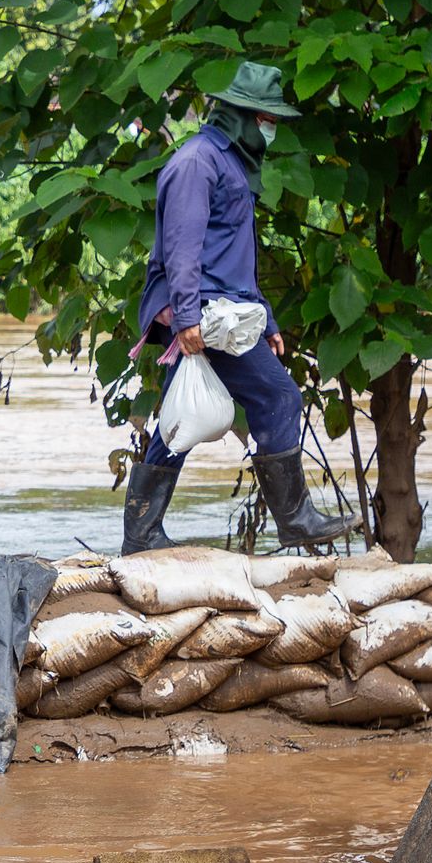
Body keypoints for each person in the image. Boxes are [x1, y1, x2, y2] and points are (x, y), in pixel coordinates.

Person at [121, 61, 356, 555]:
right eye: (266, 119)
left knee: (177, 417)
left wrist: (264, 317)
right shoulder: (196, 164)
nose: (271, 128)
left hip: (223, 312)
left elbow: (233, 257)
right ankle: (295, 520)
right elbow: (183, 249)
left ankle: (140, 535)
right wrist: (185, 319)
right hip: (203, 315)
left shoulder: (229, 164)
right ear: (243, 116)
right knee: (280, 399)